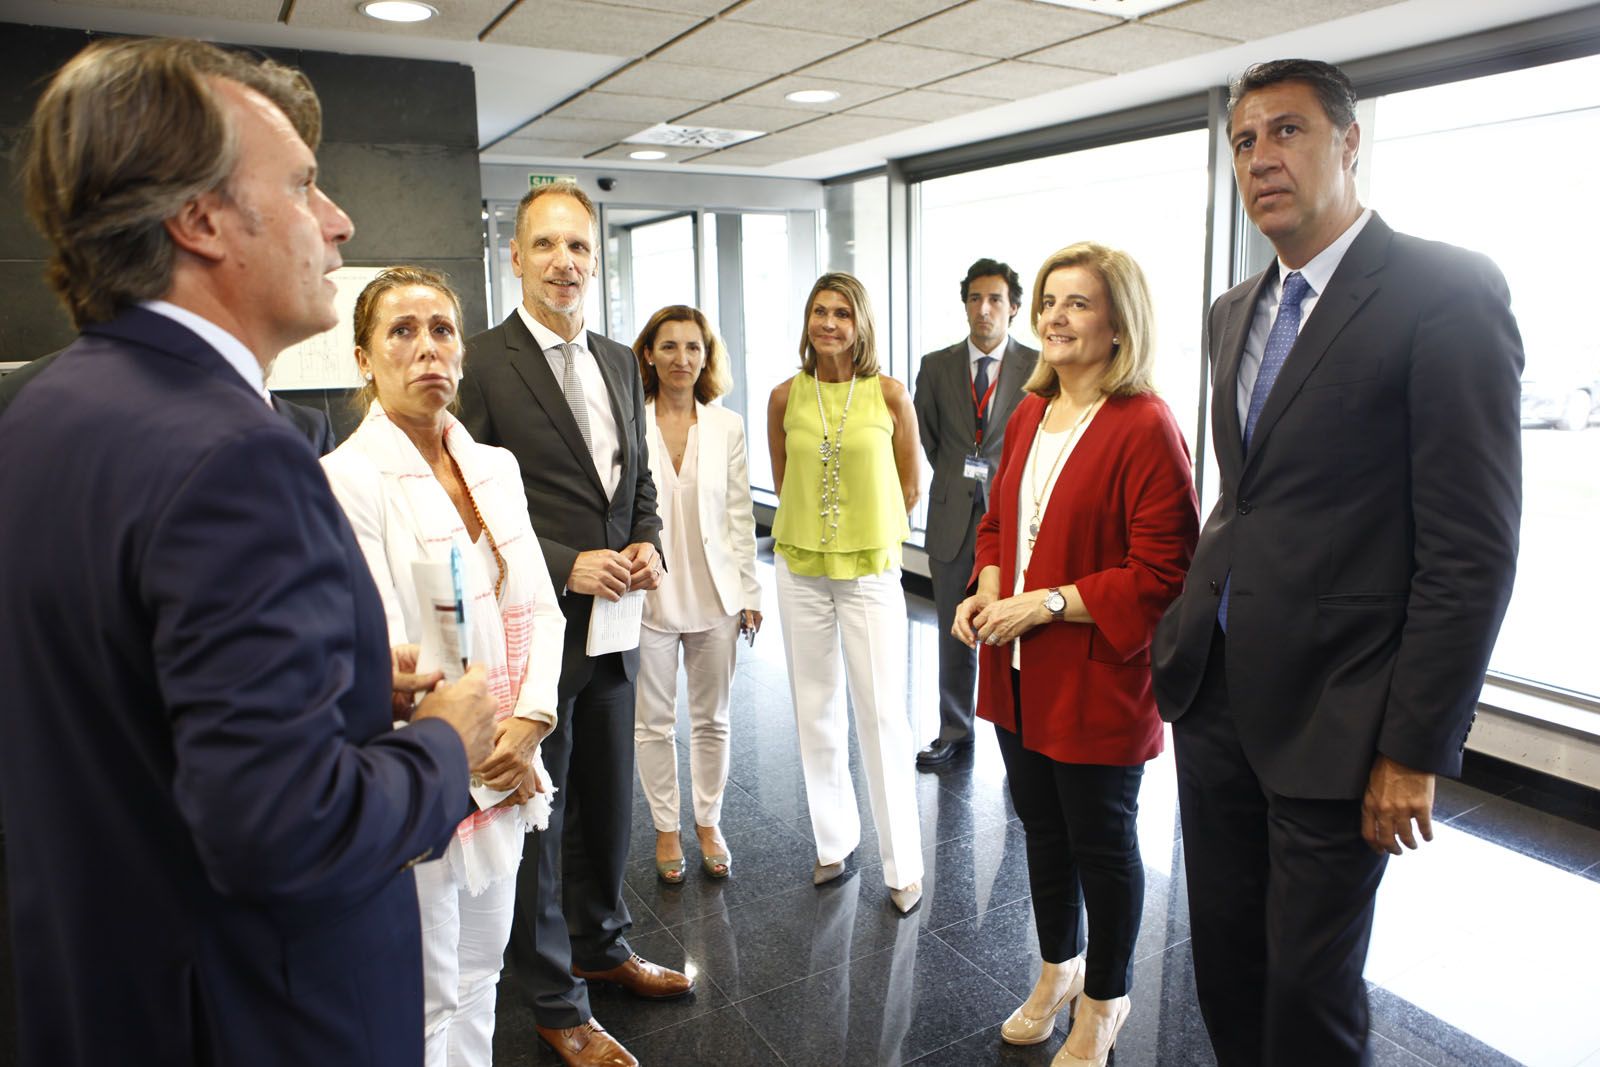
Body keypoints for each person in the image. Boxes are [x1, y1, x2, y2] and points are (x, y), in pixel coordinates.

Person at [0, 38, 497, 1067]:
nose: (339, 221)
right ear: (200, 218)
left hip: (105, 993)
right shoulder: (237, 455)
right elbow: (284, 827)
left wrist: (352, 690)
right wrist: (444, 742)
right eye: (306, 185)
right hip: (258, 1015)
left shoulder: (41, 410)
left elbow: (123, 703)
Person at [1151, 59, 1523, 1066]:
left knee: (1308, 989)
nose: (1261, 158)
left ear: (1347, 143)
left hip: (1343, 712)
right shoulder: (1233, 310)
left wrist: (1414, 746)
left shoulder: (1443, 290)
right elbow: (1249, 494)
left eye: (1287, 132)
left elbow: (1471, 545)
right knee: (1223, 960)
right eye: (1243, 141)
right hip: (1215, 693)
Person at [954, 243, 1198, 1066]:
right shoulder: (1028, 411)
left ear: (1119, 323)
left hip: (1096, 678)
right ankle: (1058, 967)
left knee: (1102, 841)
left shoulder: (1145, 424)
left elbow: (1164, 570)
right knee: (1041, 830)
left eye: (1077, 303)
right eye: (1049, 301)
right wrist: (989, 590)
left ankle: (1106, 997)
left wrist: (1048, 602)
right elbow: (997, 523)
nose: (1054, 317)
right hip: (1017, 675)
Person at [460, 180, 685, 1067]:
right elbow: (470, 503)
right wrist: (564, 562)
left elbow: (635, 486)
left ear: (596, 259)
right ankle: (556, 996)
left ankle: (602, 944)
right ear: (514, 257)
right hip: (534, 636)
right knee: (539, 824)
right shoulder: (481, 363)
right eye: (546, 245)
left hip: (616, 628)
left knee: (606, 808)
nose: (564, 262)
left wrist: (649, 544)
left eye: (579, 247)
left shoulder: (622, 362)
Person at [322, 266, 567, 1067]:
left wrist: (530, 722)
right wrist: (490, 748)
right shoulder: (347, 479)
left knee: (483, 971)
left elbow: (538, 602)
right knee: (424, 991)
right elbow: (390, 640)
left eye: (442, 329)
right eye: (401, 330)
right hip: (428, 765)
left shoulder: (494, 464)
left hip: (507, 755)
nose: (426, 347)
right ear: (364, 358)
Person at [767, 272, 926, 915]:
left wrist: (863, 526)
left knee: (883, 713)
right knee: (815, 707)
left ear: (861, 324)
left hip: (868, 572)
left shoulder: (889, 395)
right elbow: (783, 480)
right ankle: (833, 842)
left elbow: (910, 484)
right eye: (818, 312)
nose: (828, 323)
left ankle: (903, 865)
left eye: (841, 313)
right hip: (800, 567)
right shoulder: (784, 396)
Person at [631, 305, 762, 883]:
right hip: (648, 597)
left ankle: (708, 821)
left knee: (713, 719)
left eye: (693, 347)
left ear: (707, 356)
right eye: (669, 346)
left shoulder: (727, 426)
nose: (681, 359)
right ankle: (665, 828)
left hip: (715, 595)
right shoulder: (629, 421)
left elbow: (739, 515)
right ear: (649, 355)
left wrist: (750, 591)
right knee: (653, 722)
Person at [913, 257, 1035, 769]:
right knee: (953, 629)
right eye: (974, 298)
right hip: (951, 518)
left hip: (1016, 519)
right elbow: (931, 438)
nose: (983, 310)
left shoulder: (1037, 366)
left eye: (995, 300)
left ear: (1013, 308)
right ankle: (954, 730)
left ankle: (1023, 735)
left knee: (1018, 628)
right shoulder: (936, 366)